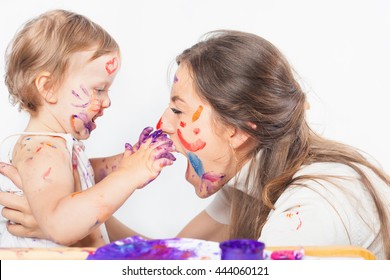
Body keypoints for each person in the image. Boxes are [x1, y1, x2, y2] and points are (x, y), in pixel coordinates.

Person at [1, 30, 390, 259]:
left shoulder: (313, 207)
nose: (163, 125)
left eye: (177, 109)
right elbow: (172, 253)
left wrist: (76, 231)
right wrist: (79, 219)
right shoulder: (250, 185)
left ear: (238, 131)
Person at [0, 9, 175, 248]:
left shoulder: (56, 147)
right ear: (48, 87)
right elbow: (60, 225)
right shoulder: (43, 150)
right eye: (99, 89)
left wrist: (124, 162)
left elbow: (82, 176)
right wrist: (129, 175)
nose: (107, 101)